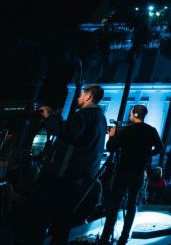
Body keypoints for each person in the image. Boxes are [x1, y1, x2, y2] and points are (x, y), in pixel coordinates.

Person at [23, 84, 108, 245]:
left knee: (40, 218)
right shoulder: (100, 118)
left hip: (64, 178)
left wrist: (49, 117)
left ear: (88, 97)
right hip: (79, 178)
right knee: (62, 224)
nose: (78, 98)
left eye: (81, 95)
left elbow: (69, 134)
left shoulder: (85, 115)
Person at [99, 103, 164, 244]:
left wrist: (111, 136)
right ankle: (124, 237)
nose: (129, 115)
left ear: (135, 114)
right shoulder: (151, 130)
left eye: (130, 113)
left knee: (115, 204)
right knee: (132, 204)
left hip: (123, 171)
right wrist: (148, 154)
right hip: (139, 171)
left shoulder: (127, 131)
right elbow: (160, 147)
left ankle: (105, 237)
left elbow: (110, 148)